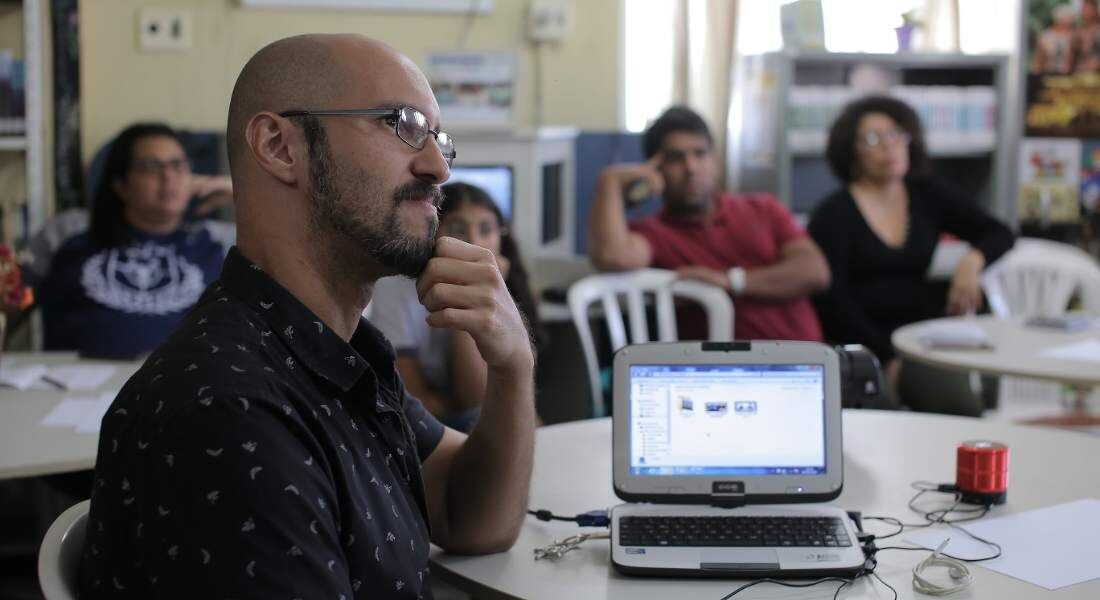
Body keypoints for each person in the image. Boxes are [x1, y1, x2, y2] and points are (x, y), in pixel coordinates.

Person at [78, 34, 535, 599]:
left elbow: (472, 519)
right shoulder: (231, 410)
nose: (438, 167)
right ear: (279, 146)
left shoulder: (335, 351)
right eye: (403, 124)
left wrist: (513, 367)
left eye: (439, 138)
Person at [808, 96, 1014, 389]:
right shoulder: (833, 213)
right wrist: (886, 355)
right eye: (872, 138)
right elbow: (831, 302)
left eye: (895, 134)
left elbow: (999, 232)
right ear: (852, 152)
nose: (888, 146)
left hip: (922, 338)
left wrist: (971, 262)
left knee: (959, 401)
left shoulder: (926, 194)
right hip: (860, 342)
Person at [588, 105, 830, 342]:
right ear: (655, 169)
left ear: (715, 161)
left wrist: (729, 282)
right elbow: (614, 257)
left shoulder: (763, 209)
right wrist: (609, 182)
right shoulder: (654, 233)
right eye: (676, 158)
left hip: (805, 363)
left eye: (700, 154)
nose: (691, 168)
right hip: (717, 375)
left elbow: (814, 272)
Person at [20, 122, 234, 357]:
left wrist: (238, 192)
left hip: (190, 384)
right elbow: (15, 300)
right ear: (121, 185)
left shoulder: (222, 241)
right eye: (151, 167)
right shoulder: (67, 231)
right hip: (77, 384)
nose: (168, 176)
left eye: (177, 165)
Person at [369, 181, 544, 432]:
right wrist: (460, 297)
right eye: (459, 230)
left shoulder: (508, 284)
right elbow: (428, 398)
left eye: (486, 229)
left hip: (467, 412)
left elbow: (499, 395)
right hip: (423, 426)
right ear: (434, 233)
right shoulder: (396, 288)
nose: (474, 241)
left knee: (525, 426)